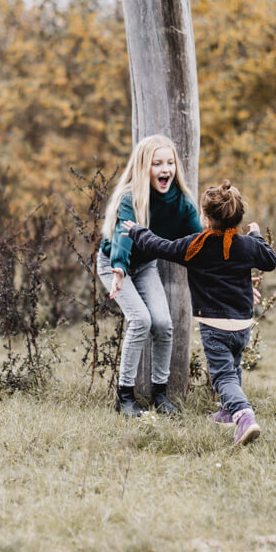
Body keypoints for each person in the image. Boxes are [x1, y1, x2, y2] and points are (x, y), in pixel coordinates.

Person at [122, 180, 276, 445]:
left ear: (205, 218)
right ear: (239, 218)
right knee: (233, 367)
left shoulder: (195, 245)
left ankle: (243, 415)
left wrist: (138, 231)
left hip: (214, 327)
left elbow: (160, 246)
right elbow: (270, 260)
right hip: (241, 325)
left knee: (224, 375)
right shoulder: (247, 245)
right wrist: (256, 236)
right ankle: (228, 412)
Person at [97, 134, 202, 417]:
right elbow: (123, 236)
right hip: (114, 265)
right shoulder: (131, 197)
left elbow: (200, 245)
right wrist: (119, 266)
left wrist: (231, 272)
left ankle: (159, 393)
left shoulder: (182, 203)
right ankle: (125, 396)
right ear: (145, 167)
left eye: (170, 163)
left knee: (164, 323)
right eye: (157, 164)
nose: (165, 169)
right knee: (140, 320)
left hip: (145, 267)